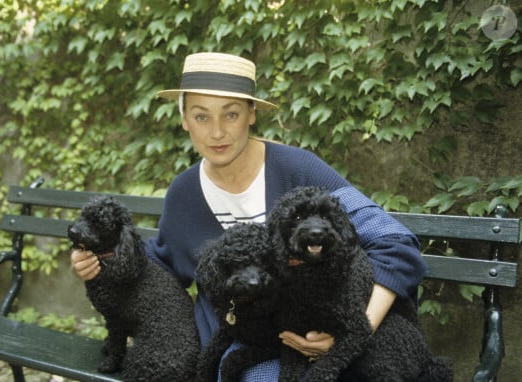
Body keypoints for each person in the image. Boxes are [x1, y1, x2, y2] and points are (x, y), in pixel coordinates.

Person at [71, 52, 426, 380]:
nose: (217, 132)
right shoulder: (184, 193)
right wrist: (99, 258)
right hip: (246, 342)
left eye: (231, 113)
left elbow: (395, 244)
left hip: (334, 331)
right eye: (201, 115)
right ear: (183, 120)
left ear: (252, 114)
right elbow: (161, 267)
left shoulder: (298, 170)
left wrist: (353, 332)